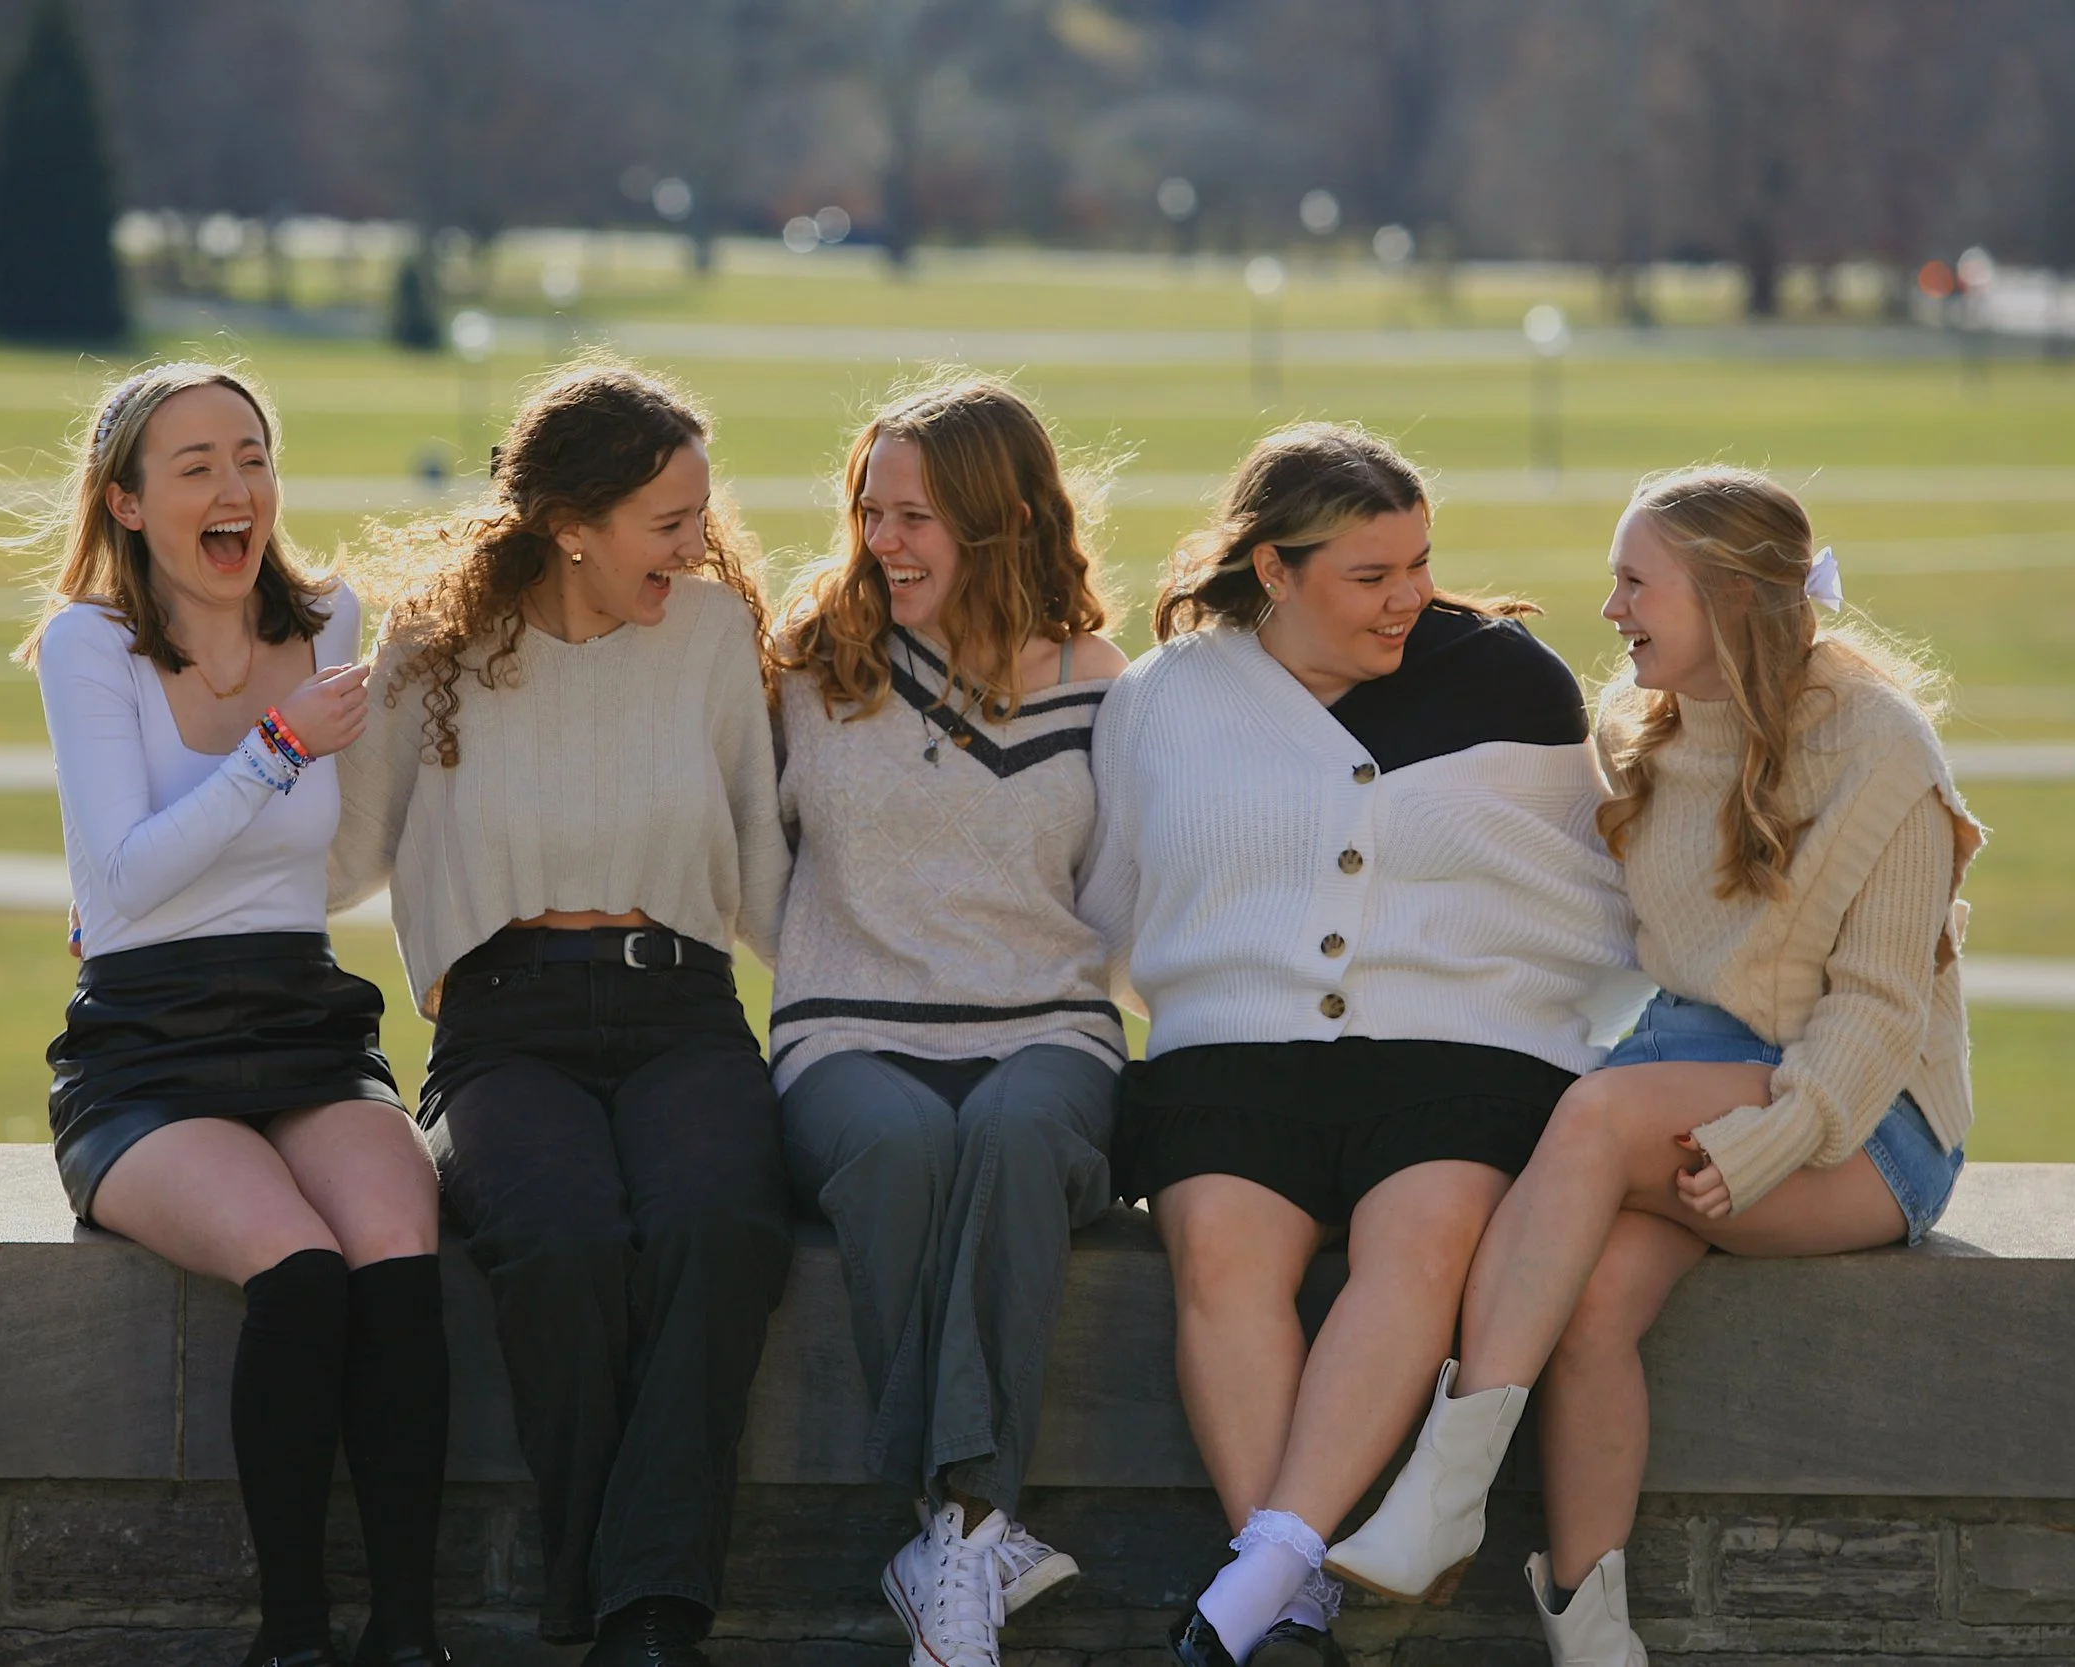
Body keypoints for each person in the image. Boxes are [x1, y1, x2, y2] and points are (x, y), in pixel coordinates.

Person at [1323, 466, 1981, 1667]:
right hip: (1695, 1087)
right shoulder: (1640, 728)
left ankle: (1438, 1496)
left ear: (1729, 599)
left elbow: (1883, 1012)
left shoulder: (1882, 747)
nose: (1611, 607)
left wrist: (1770, 1139)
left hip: (1867, 1122)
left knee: (1590, 1116)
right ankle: (1591, 1630)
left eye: (1636, 582)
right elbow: (1544, 881)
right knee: (1588, 1308)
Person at [1078, 425, 1648, 1667]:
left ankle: (1270, 1564)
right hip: (1235, 1045)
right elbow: (1125, 899)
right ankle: (1289, 1600)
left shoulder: (1506, 677)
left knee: (1425, 1235)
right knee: (1221, 1249)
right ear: (1274, 571)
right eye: (1370, 575)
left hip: (1463, 1042)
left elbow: (1574, 884)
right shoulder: (1167, 695)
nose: (1407, 600)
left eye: (1418, 566)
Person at [330, 361, 792, 1667]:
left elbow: (761, 861)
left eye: (701, 513)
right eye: (670, 519)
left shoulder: (708, 634)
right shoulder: (435, 642)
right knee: (567, 1239)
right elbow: (343, 850)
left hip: (683, 1009)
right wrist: (163, 872)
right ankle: (613, 1599)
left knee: (720, 1219)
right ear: (574, 523)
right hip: (502, 1023)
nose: (698, 542)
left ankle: (647, 1611)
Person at [19, 362, 450, 1667]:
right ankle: (293, 1635)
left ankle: (409, 1633)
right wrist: (272, 747)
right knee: (301, 1268)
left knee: (394, 1245)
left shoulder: (332, 618)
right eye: (196, 463)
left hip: (303, 1022)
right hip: (145, 1052)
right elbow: (125, 874)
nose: (235, 486)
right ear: (130, 502)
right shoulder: (91, 643)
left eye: (252, 455)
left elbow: (339, 849)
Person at [767, 378, 1132, 1667]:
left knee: (1019, 1138)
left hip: (1048, 1026)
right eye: (871, 511)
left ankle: (950, 1536)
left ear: (1002, 518)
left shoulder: (1100, 682)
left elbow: (1120, 898)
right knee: (903, 1148)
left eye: (917, 516)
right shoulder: (810, 670)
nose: (885, 541)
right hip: (846, 1028)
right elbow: (760, 872)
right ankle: (973, 1532)